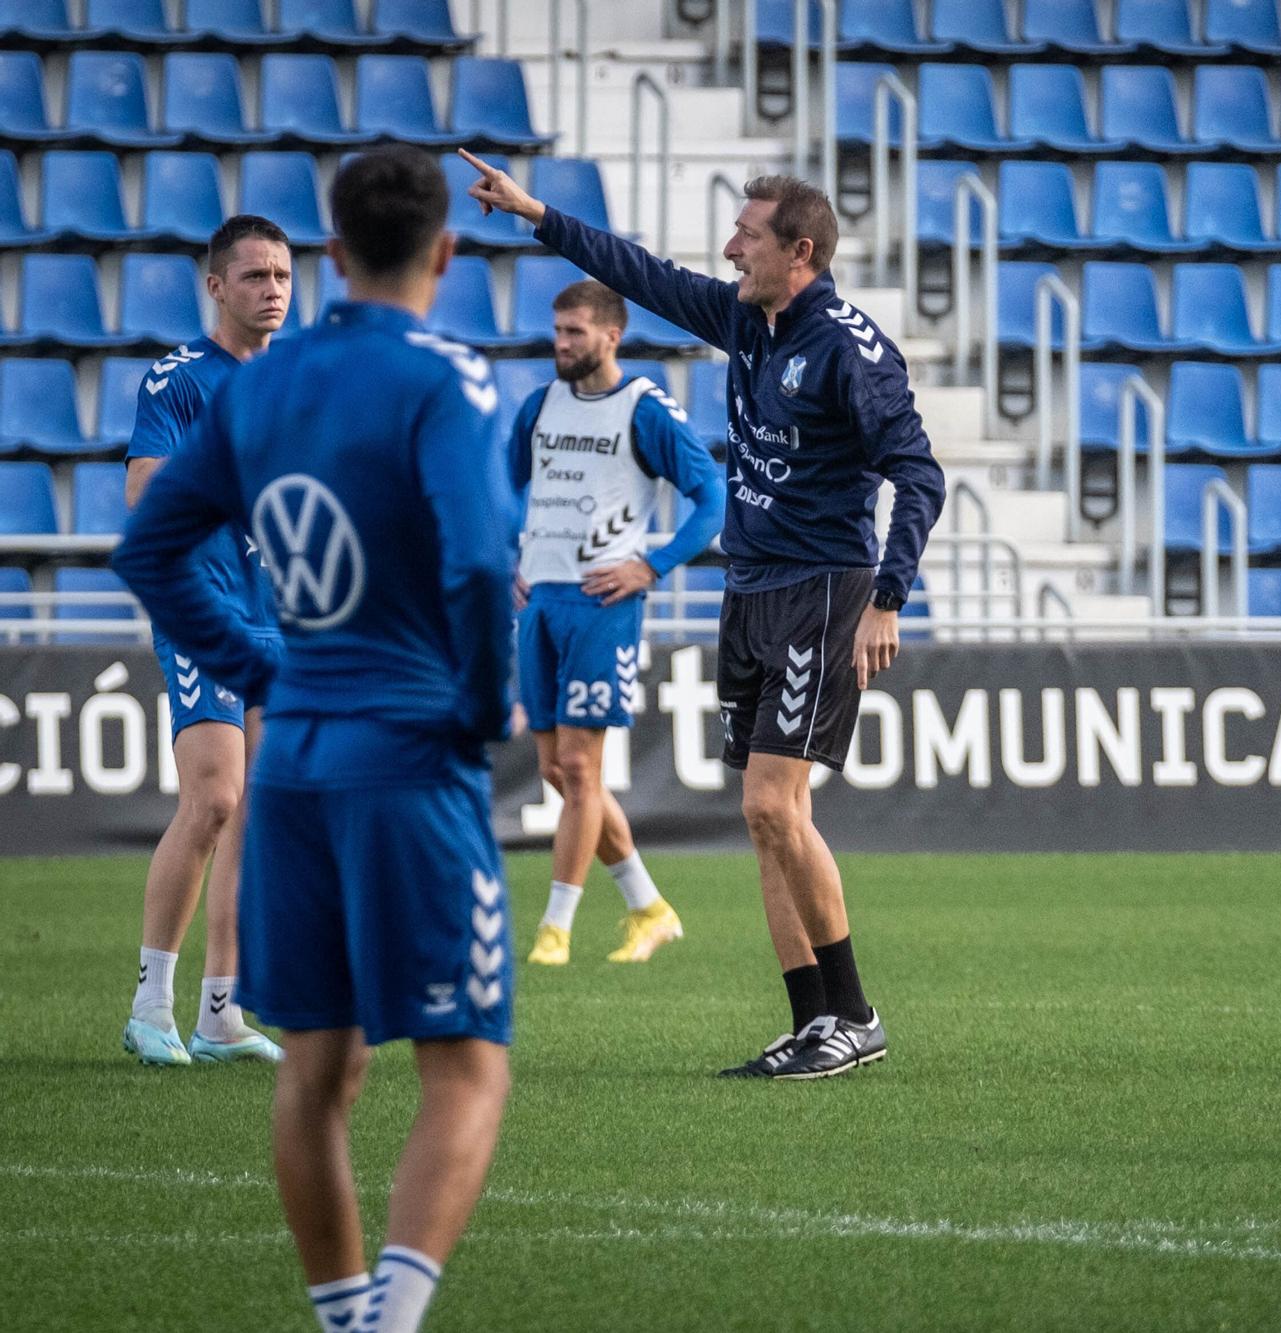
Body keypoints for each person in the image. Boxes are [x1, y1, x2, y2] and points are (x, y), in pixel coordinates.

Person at [113, 148, 518, 1333]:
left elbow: (145, 550)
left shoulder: (259, 392)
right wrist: (480, 708)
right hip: (408, 754)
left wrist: (262, 669)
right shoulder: (450, 378)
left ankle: (345, 1318)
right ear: (445, 253)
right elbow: (484, 561)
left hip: (295, 757)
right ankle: (388, 1323)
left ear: (331, 259)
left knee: (316, 1068)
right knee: (465, 1066)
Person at [460, 152, 945, 1080]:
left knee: (773, 802)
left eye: (747, 237)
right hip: (752, 585)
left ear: (798, 251)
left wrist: (888, 597)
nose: (729, 250)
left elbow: (918, 475)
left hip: (823, 586)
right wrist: (538, 215)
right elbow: (644, 273)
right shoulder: (743, 318)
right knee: (761, 817)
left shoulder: (849, 348)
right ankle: (812, 1023)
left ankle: (856, 1014)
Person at [121, 214, 292, 1067]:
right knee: (216, 797)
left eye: (284, 277)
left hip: (282, 616)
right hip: (207, 607)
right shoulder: (179, 379)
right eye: (256, 276)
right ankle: (150, 1004)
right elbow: (146, 490)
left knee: (256, 816)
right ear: (216, 286)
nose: (273, 290)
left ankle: (218, 1014)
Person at [514, 278, 724, 966]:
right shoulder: (540, 405)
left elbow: (711, 498)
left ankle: (555, 929)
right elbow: (504, 487)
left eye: (575, 332)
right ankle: (648, 905)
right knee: (557, 769)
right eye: (558, 331)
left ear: (613, 335)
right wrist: (505, 553)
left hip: (604, 603)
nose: (561, 344)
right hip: (539, 601)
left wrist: (652, 564)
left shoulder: (643, 408)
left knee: (579, 765)